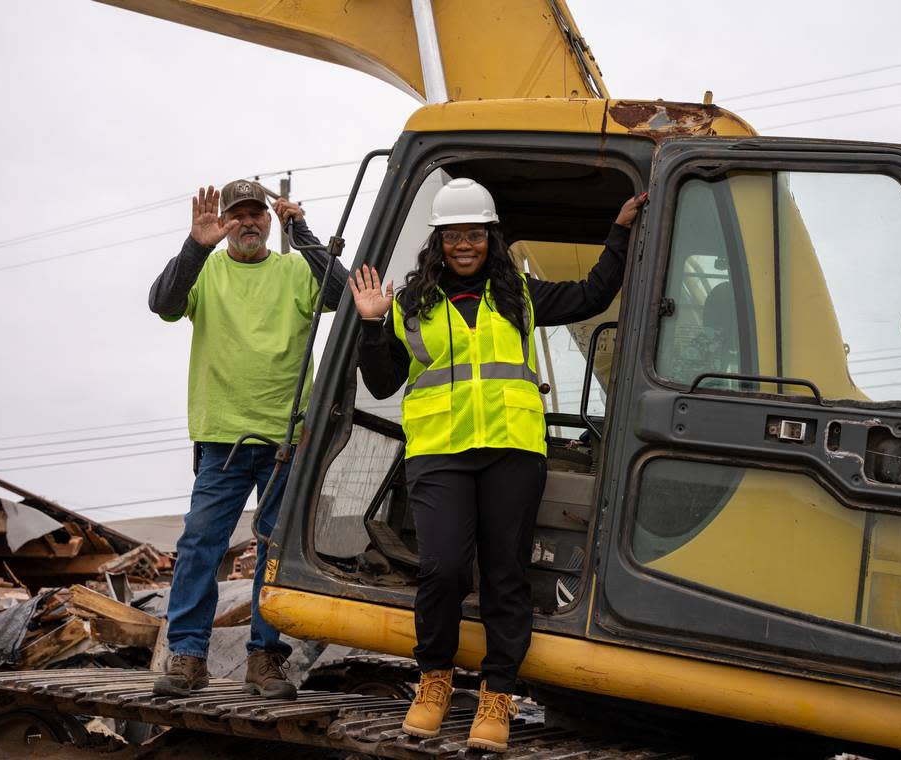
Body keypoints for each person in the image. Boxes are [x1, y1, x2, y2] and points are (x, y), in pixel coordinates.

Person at [348, 178, 644, 751]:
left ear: (490, 237)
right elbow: (382, 380)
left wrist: (619, 233)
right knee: (444, 570)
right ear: (439, 241)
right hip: (438, 454)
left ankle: (497, 694)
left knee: (506, 576)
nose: (465, 244)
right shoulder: (411, 304)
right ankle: (433, 681)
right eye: (454, 234)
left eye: (475, 234)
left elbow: (591, 295)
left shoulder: (521, 296)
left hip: (512, 451)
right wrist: (368, 322)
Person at [148, 179, 344, 698]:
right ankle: (187, 655)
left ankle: (265, 659)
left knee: (276, 553)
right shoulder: (207, 269)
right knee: (199, 546)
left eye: (257, 213)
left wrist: (301, 231)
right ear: (226, 221)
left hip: (288, 441)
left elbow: (344, 295)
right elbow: (162, 304)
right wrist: (196, 244)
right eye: (238, 215)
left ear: (268, 219)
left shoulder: (294, 269)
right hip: (223, 440)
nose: (248, 222)